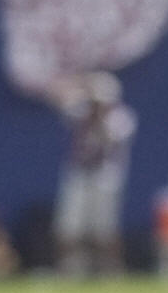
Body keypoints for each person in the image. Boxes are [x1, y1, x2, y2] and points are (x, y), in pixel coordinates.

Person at [54, 75, 134, 279]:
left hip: (106, 178)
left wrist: (97, 118)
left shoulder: (121, 117)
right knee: (69, 226)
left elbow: (109, 140)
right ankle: (70, 270)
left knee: (104, 229)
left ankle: (111, 270)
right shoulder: (82, 112)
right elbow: (64, 105)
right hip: (79, 173)